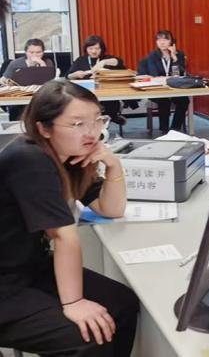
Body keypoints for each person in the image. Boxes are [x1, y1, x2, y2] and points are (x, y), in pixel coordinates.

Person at [0, 80, 139, 356]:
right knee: (86, 335)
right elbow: (64, 236)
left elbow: (110, 208)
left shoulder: (69, 156)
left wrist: (113, 164)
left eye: (97, 120)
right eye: (77, 124)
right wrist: (74, 303)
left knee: (122, 304)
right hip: (5, 281)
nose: (92, 132)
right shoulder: (30, 159)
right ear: (44, 128)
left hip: (28, 266)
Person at [68, 35, 127, 125]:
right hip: (86, 94)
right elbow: (68, 76)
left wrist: (103, 62)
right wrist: (75, 75)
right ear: (86, 49)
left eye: (97, 48)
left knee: (109, 104)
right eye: (90, 48)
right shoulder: (81, 60)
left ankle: (110, 117)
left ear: (102, 49)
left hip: (106, 93)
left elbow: (119, 62)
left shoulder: (106, 58)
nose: (94, 51)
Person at [140, 30, 189, 134]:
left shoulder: (179, 54)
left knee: (184, 100)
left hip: (174, 89)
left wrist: (174, 58)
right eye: (159, 40)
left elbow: (179, 74)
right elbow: (154, 74)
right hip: (157, 89)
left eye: (165, 39)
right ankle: (164, 130)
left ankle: (175, 129)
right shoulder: (153, 56)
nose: (162, 42)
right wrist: (168, 78)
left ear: (172, 42)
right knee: (164, 100)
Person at [2, 38, 55, 120]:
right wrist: (8, 83)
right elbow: (3, 79)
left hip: (40, 97)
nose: (35, 55)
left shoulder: (47, 62)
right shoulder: (15, 63)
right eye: (31, 52)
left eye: (38, 52)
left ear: (43, 52)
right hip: (19, 97)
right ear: (26, 52)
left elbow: (48, 80)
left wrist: (41, 63)